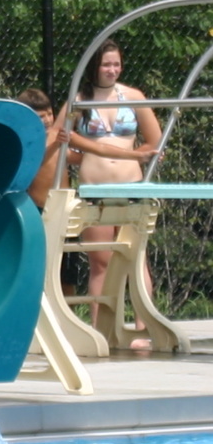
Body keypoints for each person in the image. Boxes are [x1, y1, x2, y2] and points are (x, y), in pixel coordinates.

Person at [65, 42, 161, 342]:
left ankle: (145, 328)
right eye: (107, 64)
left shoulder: (133, 97)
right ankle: (101, 331)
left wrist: (134, 156)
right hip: (95, 188)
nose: (112, 70)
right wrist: (89, 157)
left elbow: (155, 143)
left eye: (116, 64)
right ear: (94, 66)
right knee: (101, 261)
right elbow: (62, 141)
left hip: (131, 185)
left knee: (137, 258)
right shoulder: (79, 100)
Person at [17, 88, 69, 209]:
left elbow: (69, 155)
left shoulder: (56, 136)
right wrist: (56, 144)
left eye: (50, 114)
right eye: (41, 116)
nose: (47, 120)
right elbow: (35, 163)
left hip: (63, 205)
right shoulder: (25, 140)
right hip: (38, 207)